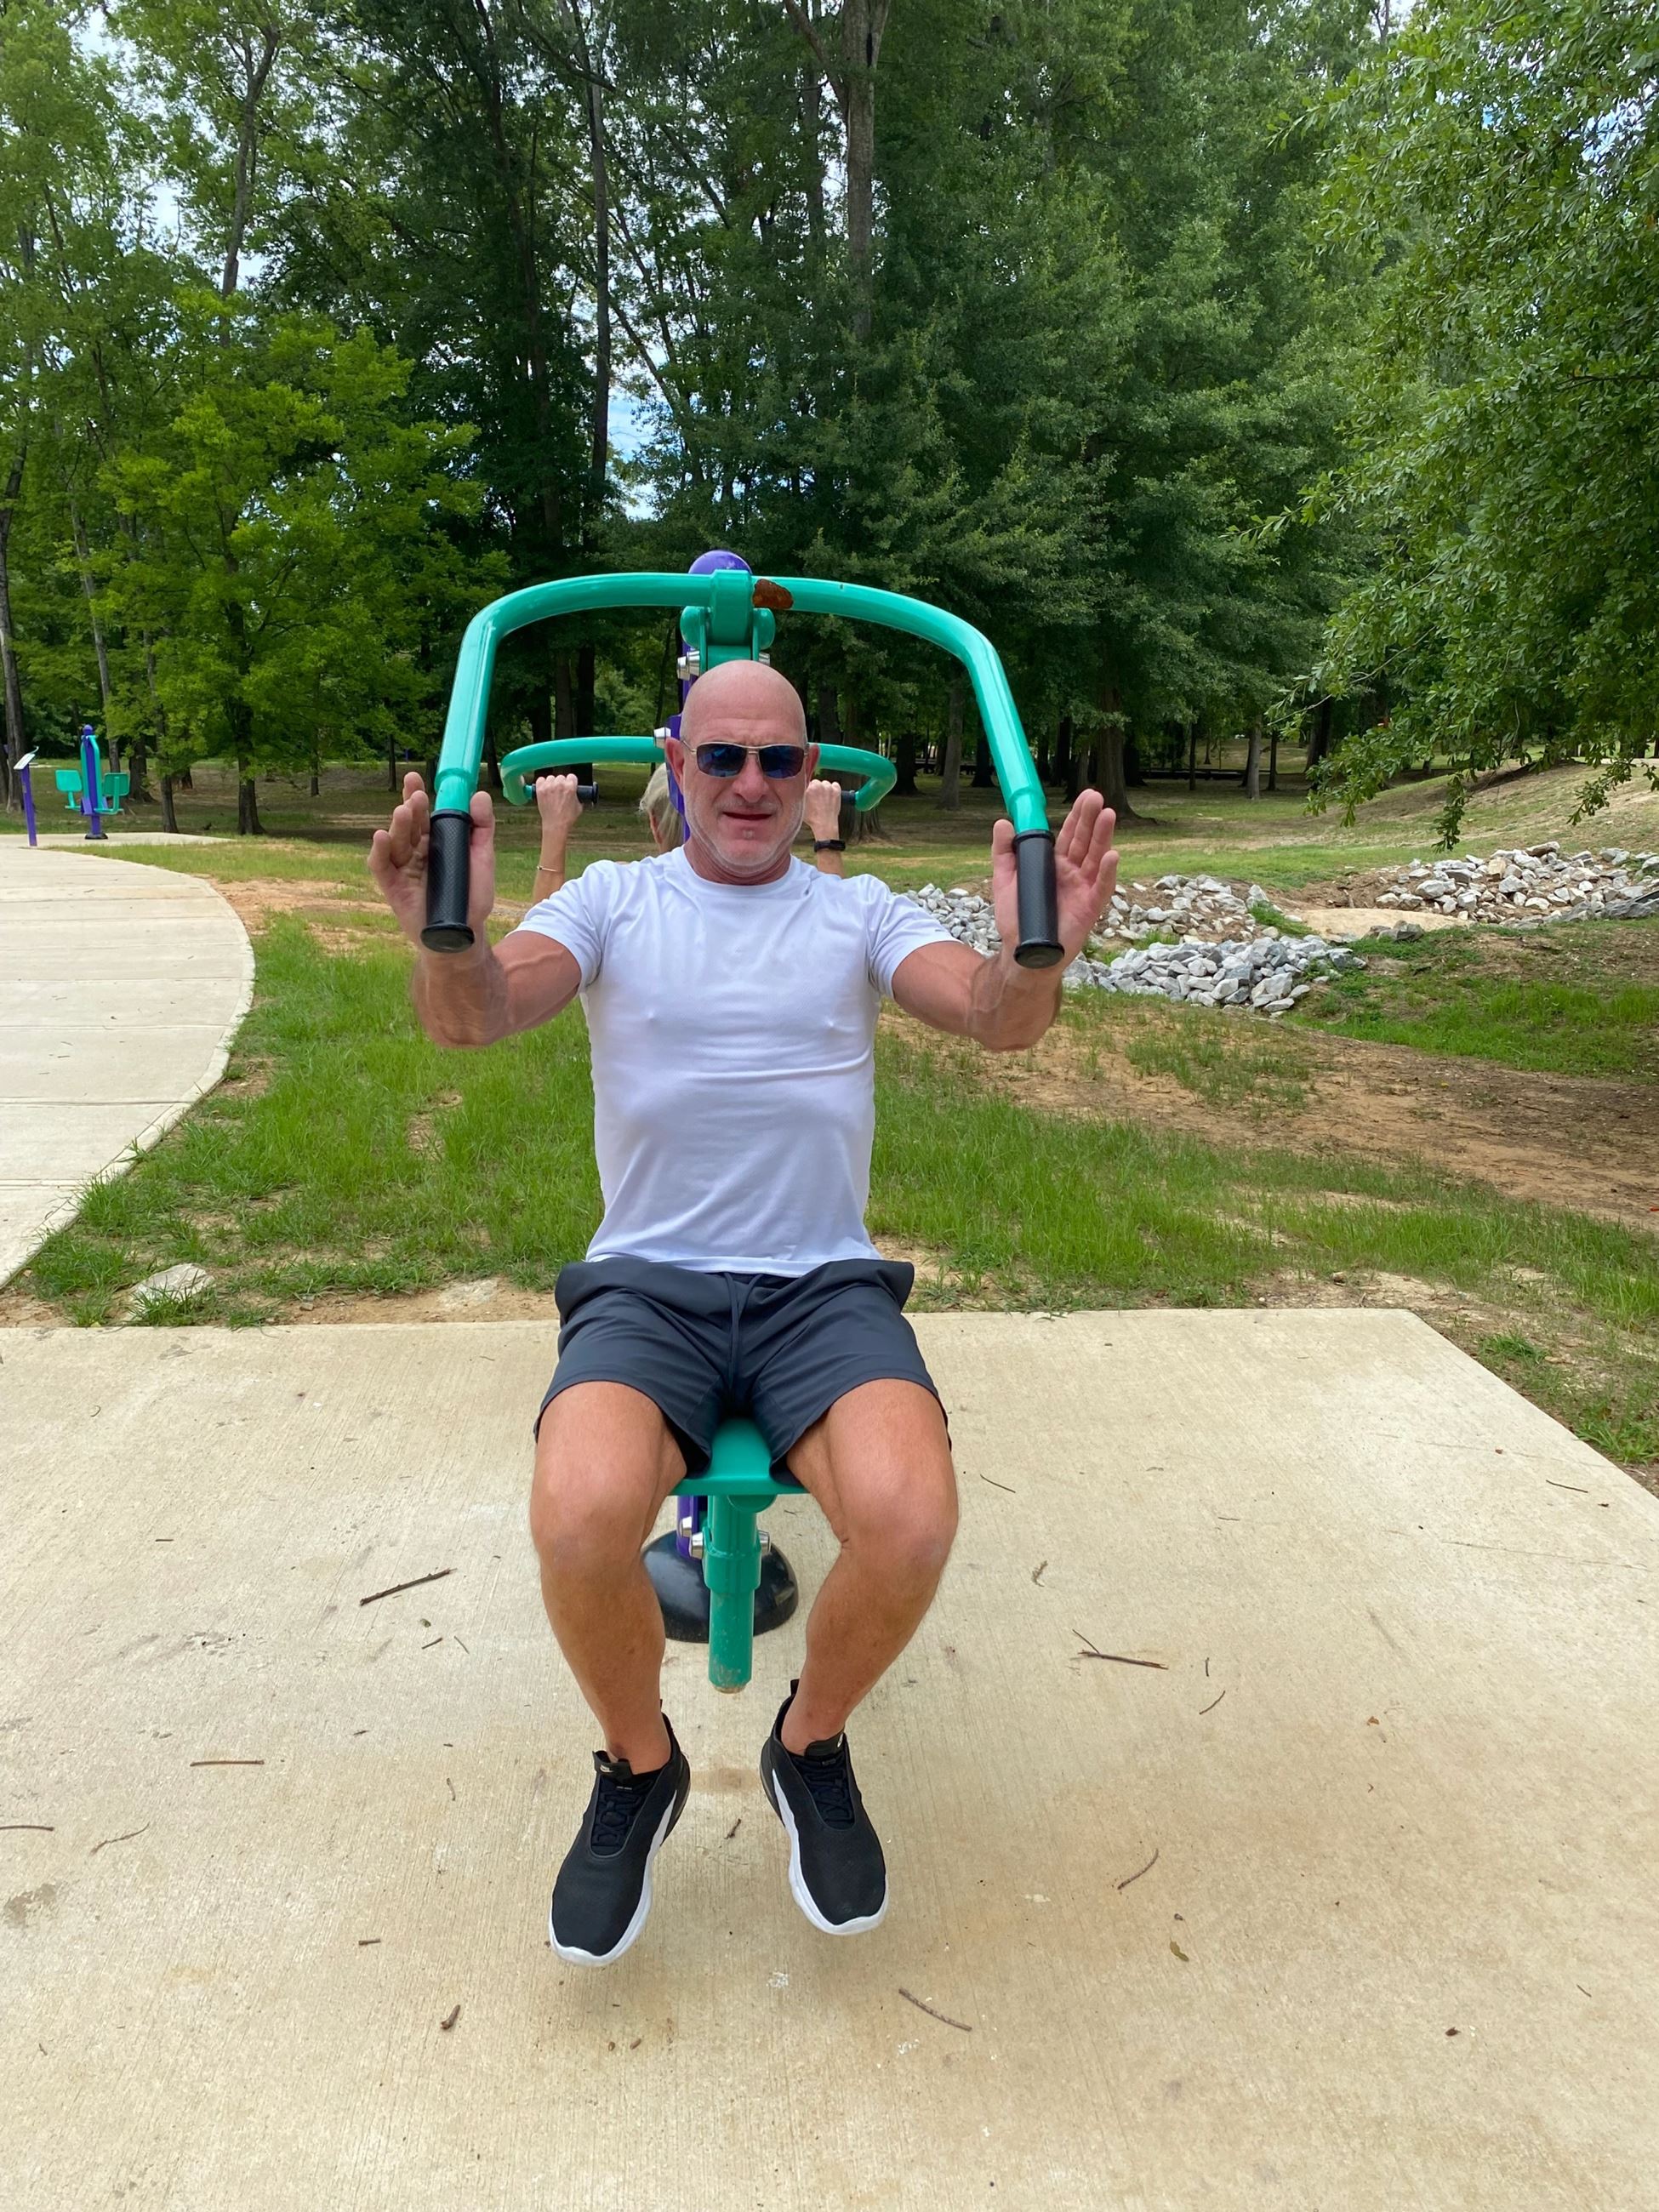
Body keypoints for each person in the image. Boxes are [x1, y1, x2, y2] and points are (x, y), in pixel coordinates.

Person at [368, 658, 1117, 1967]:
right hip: (648, 1284)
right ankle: (639, 1764)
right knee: (578, 1517)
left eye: (778, 758)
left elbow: (997, 1022)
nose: (752, 784)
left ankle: (806, 1744)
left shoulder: (857, 911)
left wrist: (1024, 949)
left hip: (817, 1286)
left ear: (810, 770)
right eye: (722, 757)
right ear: (677, 763)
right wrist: (448, 937)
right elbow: (474, 1019)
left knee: (909, 1520)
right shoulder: (613, 901)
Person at [531, 761, 847, 892]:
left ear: (654, 823)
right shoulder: (791, 893)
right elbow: (836, 927)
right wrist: (826, 834)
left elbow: (544, 940)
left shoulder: (617, 891)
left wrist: (555, 827)